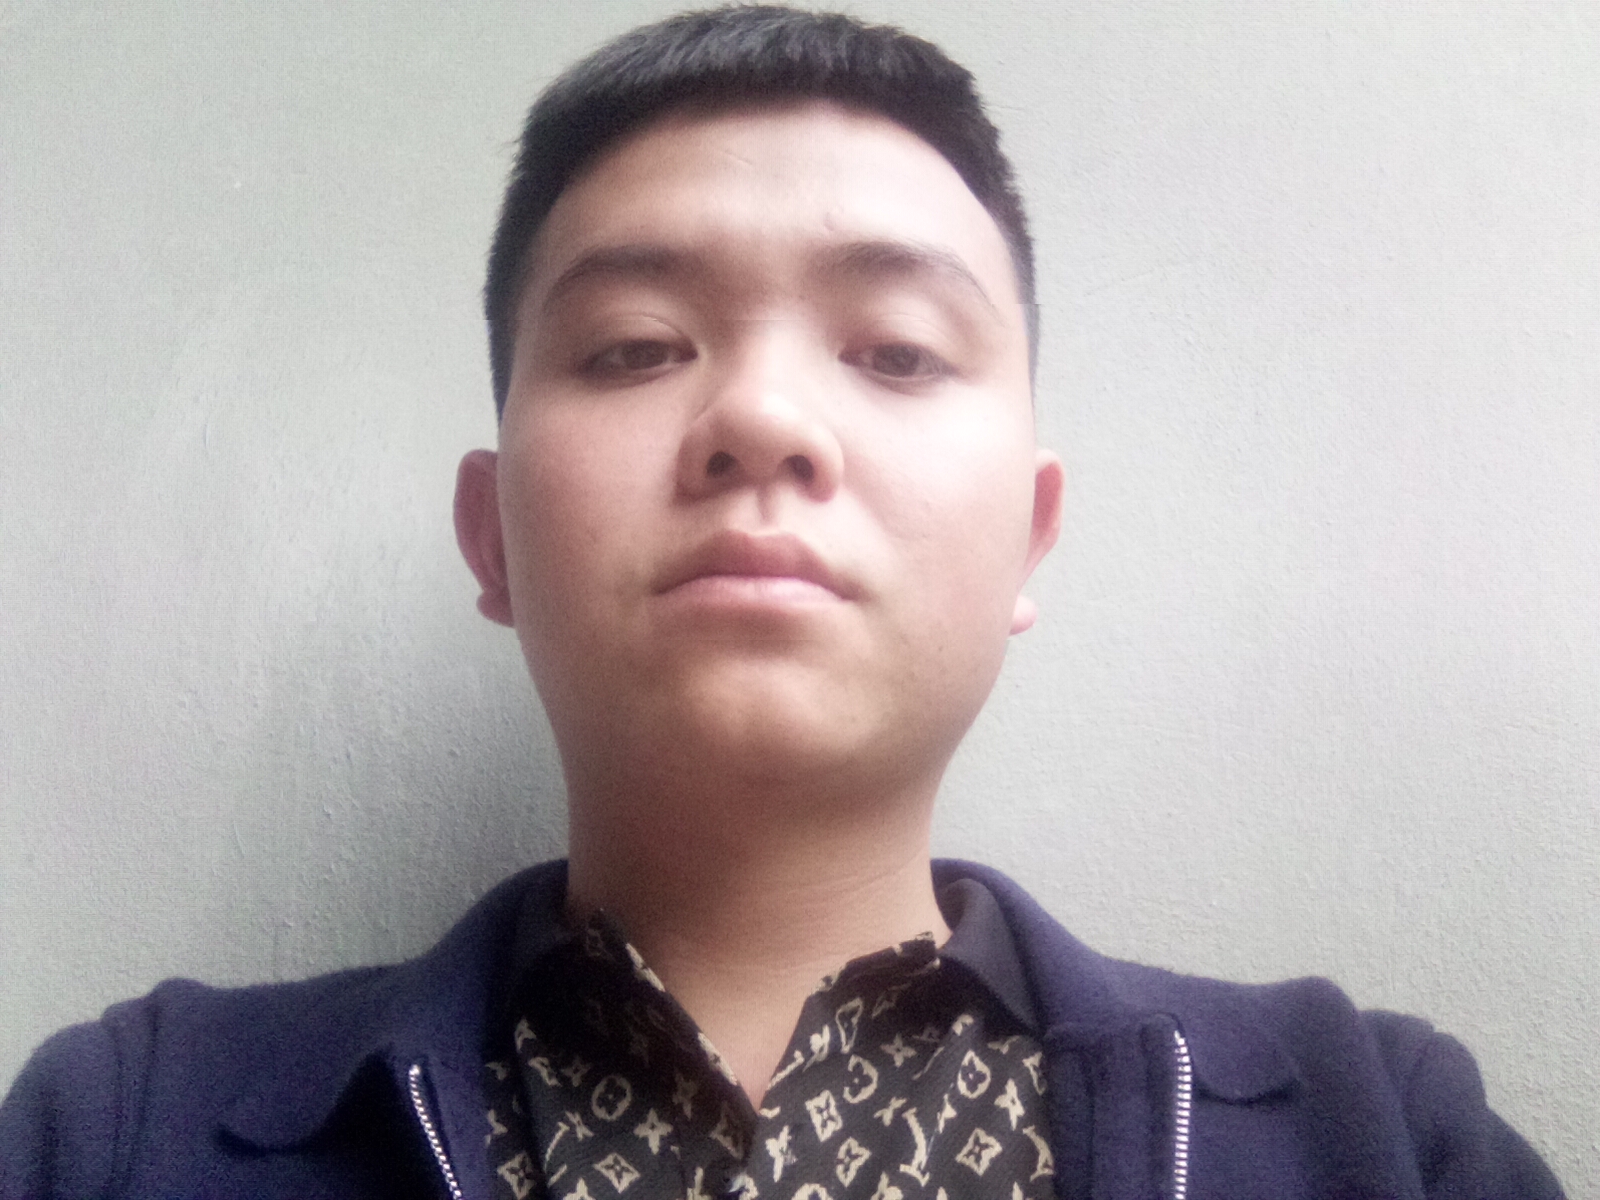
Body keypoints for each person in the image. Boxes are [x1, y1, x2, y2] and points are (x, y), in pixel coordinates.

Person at [0, 7, 1565, 1199]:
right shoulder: (117, 1132)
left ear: (1029, 539)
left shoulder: (1386, 1134)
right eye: (633, 346)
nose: (761, 417)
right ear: (492, 539)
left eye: (894, 350)